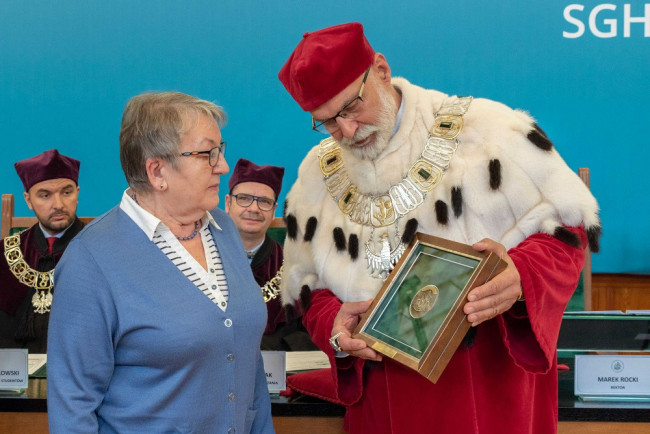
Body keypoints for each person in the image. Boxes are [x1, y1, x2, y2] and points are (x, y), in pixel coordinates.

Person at [277, 22, 601, 434]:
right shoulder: (315, 176)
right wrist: (334, 328)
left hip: (488, 392)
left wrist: (520, 275)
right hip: (383, 402)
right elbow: (309, 292)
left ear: (380, 69)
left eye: (351, 107)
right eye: (326, 122)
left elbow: (568, 234)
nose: (347, 132)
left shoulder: (489, 130)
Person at [47, 92, 273, 433]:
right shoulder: (90, 261)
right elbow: (72, 406)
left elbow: (247, 367)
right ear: (157, 171)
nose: (223, 165)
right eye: (208, 153)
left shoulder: (224, 229)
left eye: (221, 150)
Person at [225, 158, 316, 351]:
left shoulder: (295, 267)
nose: (254, 208)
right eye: (244, 198)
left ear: (274, 210)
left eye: (264, 202)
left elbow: (307, 332)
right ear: (228, 203)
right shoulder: (200, 258)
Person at [0, 149, 84, 353]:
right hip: (11, 376)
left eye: (66, 192)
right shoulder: (4, 254)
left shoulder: (102, 249)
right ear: (28, 200)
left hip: (78, 373)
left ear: (77, 194)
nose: (58, 205)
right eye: (45, 195)